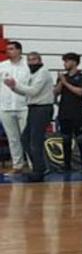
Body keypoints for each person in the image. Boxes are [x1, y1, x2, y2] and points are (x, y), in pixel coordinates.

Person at [6, 52, 56, 182]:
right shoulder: (33, 74)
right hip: (34, 108)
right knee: (25, 138)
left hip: (42, 108)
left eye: (34, 59)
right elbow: (27, 92)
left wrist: (15, 85)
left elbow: (33, 91)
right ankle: (40, 167)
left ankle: (39, 170)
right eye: (29, 60)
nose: (31, 62)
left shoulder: (43, 72)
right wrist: (13, 88)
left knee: (35, 140)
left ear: (40, 60)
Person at [55, 53, 82, 172]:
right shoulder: (63, 77)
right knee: (66, 140)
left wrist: (66, 83)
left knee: (80, 140)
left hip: (77, 113)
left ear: (74, 62)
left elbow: (80, 92)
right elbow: (56, 92)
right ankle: (67, 165)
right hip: (64, 112)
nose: (64, 64)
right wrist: (61, 81)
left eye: (66, 61)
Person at [0, 41, 30, 173]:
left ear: (19, 50)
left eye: (11, 49)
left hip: (24, 106)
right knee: (12, 138)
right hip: (5, 106)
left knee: (28, 137)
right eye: (7, 49)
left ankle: (34, 165)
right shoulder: (2, 66)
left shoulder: (28, 66)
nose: (8, 51)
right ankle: (17, 165)